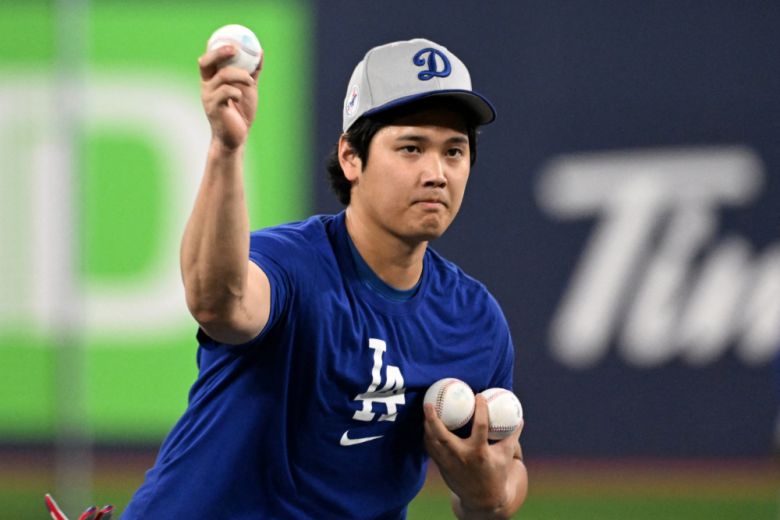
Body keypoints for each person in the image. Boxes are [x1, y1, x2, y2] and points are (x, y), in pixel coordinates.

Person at [122, 37, 527, 519]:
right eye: (411, 147)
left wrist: (488, 495)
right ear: (351, 156)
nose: (436, 173)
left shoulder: (474, 320)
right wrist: (226, 150)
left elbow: (507, 472)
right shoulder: (293, 266)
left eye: (454, 151)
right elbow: (220, 305)